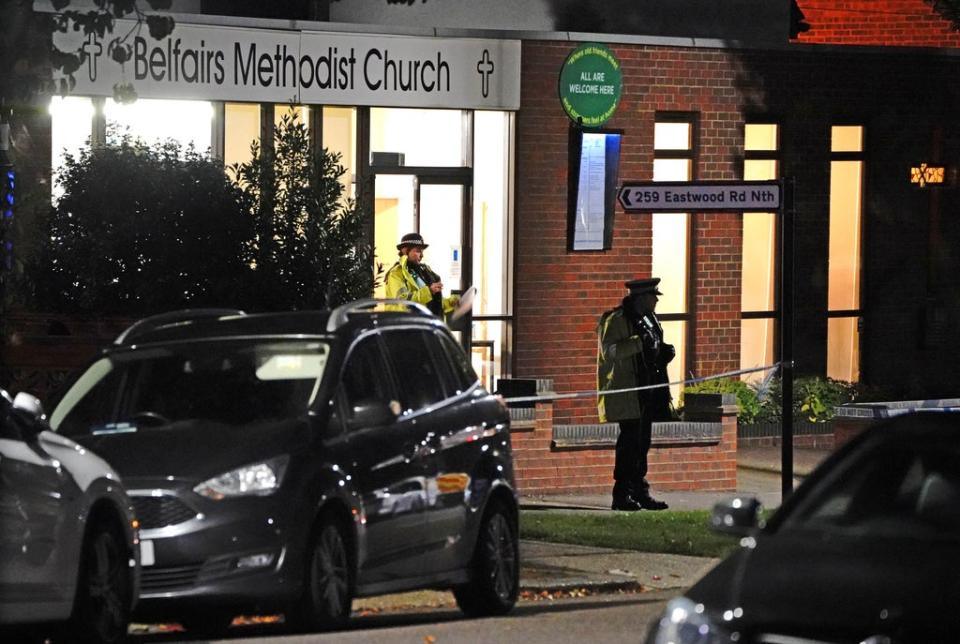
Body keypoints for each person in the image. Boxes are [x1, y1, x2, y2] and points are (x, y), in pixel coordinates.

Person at [597, 277, 675, 511]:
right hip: (628, 391)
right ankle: (622, 494)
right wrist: (638, 342)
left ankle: (640, 492)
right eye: (653, 297)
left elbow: (651, 351)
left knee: (642, 444)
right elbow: (609, 352)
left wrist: (663, 353)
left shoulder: (650, 320)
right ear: (641, 298)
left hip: (648, 390)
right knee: (629, 445)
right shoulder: (616, 320)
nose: (655, 301)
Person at [385, 232, 459, 319]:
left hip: (425, 326)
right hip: (404, 328)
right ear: (405, 251)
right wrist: (429, 291)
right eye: (418, 251)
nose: (422, 255)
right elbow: (403, 302)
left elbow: (431, 302)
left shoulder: (423, 271)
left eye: (422, 251)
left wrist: (450, 302)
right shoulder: (396, 274)